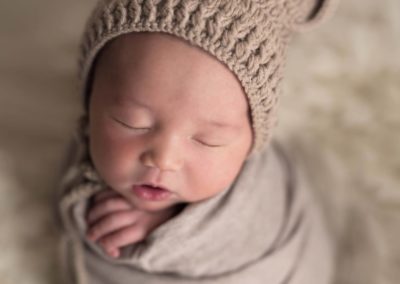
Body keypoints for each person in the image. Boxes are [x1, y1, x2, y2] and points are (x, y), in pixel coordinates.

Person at [55, 0, 339, 283]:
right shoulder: (85, 150)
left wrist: (170, 231)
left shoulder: (259, 201)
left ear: (251, 143)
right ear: (90, 101)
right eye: (131, 122)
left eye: (208, 140)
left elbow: (257, 238)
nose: (164, 159)